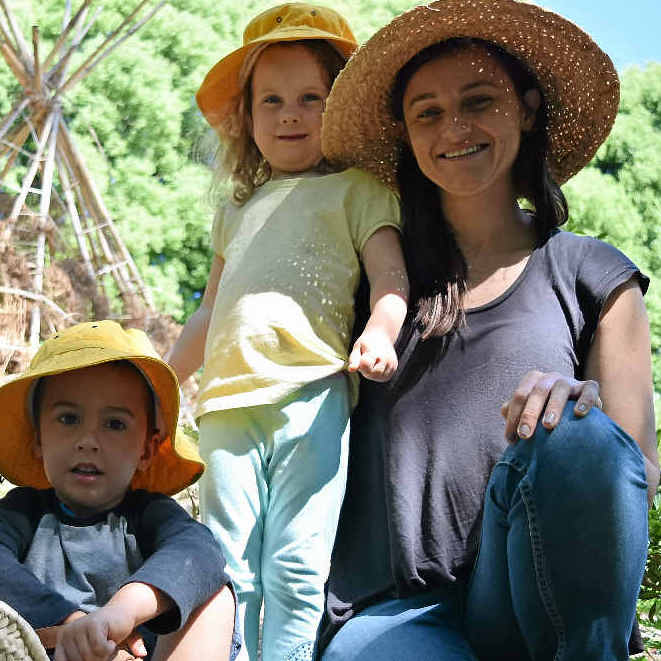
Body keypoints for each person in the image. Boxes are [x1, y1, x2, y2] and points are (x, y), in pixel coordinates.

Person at [316, 1, 659, 659]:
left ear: (525, 109)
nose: (454, 127)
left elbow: (637, 470)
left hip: (535, 591)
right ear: (405, 134)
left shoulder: (596, 274)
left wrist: (578, 409)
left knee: (582, 433)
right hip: (394, 613)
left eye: (479, 101)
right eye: (428, 112)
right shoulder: (375, 279)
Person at [166, 4, 408, 660]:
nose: (290, 114)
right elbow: (205, 313)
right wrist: (160, 385)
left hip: (313, 397)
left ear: (343, 111)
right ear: (245, 117)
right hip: (225, 405)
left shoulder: (358, 191)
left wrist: (382, 332)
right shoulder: (235, 211)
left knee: (297, 565)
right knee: (225, 558)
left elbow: (390, 280)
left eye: (311, 98)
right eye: (270, 100)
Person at [0, 320, 241, 661]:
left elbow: (199, 554)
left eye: (114, 424)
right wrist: (70, 624)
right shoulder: (22, 513)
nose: (87, 441)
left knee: (215, 594)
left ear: (146, 449)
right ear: (38, 439)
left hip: (137, 653)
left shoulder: (149, 515)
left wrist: (122, 613)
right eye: (68, 419)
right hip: (44, 651)